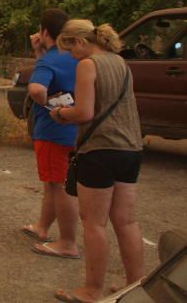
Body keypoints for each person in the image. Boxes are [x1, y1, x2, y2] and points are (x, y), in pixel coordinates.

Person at [50, 20, 144, 303]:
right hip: (131, 148)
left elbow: (85, 112)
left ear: (79, 42)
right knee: (126, 221)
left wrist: (61, 114)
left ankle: (92, 290)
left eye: (70, 49)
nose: (71, 56)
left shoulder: (88, 65)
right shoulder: (119, 62)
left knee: (94, 223)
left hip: (100, 149)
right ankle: (135, 285)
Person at [21, 8, 80, 259]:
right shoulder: (77, 56)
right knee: (52, 183)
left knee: (59, 185)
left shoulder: (51, 59)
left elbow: (36, 88)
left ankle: (68, 242)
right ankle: (42, 227)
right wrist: (39, 52)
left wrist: (48, 104)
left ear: (45, 31)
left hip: (52, 131)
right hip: (75, 129)